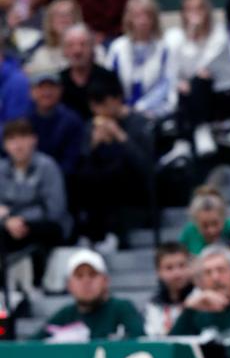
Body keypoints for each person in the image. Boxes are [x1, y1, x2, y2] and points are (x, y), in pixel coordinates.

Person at [69, 74, 154, 244]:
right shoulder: (91, 126)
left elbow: (146, 167)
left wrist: (121, 137)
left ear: (117, 99)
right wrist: (93, 144)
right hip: (100, 197)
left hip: (134, 194)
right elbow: (80, 166)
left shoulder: (140, 123)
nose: (99, 111)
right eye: (94, 106)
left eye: (103, 104)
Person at [164, 0, 230, 155]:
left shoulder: (219, 33)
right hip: (189, 94)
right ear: (183, 13)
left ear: (207, 11)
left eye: (199, 8)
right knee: (186, 88)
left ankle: (195, 132)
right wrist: (189, 36)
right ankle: (186, 140)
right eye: (189, 9)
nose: (195, 14)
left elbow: (209, 66)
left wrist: (195, 39)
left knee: (200, 79)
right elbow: (172, 70)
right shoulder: (174, 36)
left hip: (219, 91)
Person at [0, 118, 71, 287]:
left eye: (23, 137)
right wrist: (8, 221)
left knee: (44, 231)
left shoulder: (47, 166)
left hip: (44, 226)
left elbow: (55, 209)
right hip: (8, 227)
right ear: (4, 145)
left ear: (34, 139)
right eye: (12, 139)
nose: (18, 145)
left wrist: (17, 218)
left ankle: (40, 282)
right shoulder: (1, 170)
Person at [33, 248, 143, 341]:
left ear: (105, 281)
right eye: (79, 276)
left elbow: (141, 344)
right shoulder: (64, 315)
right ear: (69, 285)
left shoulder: (122, 309)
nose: (86, 281)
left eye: (92, 275)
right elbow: (31, 347)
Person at [104, 0, 172, 120]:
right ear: (129, 18)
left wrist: (141, 108)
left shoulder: (164, 48)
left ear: (154, 19)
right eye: (137, 15)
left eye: (148, 15)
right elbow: (108, 82)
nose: (143, 20)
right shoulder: (117, 47)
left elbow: (165, 85)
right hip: (121, 111)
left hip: (154, 111)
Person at [27, 69, 84, 176]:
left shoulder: (72, 121)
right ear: (31, 92)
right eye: (41, 88)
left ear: (60, 90)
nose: (47, 92)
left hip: (64, 179)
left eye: (51, 87)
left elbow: (72, 159)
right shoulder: (24, 120)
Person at [59, 24, 118, 120]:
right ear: (64, 51)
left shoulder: (108, 78)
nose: (77, 51)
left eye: (83, 44)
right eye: (71, 45)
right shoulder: (58, 82)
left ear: (92, 48)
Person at [143, 241, 195, 336]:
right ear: (158, 272)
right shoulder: (154, 305)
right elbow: (155, 339)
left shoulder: (199, 297)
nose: (177, 273)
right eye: (169, 268)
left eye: (182, 265)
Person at [23, 0, 83, 75]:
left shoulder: (91, 51)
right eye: (58, 14)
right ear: (50, 21)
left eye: (68, 14)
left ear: (77, 18)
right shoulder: (41, 54)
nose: (63, 18)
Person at [180, 187, 230, 256]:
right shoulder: (189, 232)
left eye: (215, 223)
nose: (211, 230)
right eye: (204, 226)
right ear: (195, 222)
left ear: (224, 217)